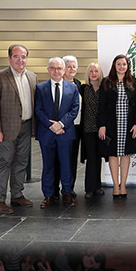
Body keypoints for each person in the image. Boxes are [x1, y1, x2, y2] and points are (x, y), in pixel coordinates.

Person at [0, 44, 37, 215]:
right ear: (9, 58)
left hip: (26, 126)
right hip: (6, 129)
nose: (20, 60)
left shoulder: (32, 77)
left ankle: (17, 194)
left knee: (21, 162)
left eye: (23, 57)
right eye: (16, 56)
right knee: (3, 163)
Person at [35, 57, 80, 208]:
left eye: (59, 68)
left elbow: (74, 109)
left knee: (66, 164)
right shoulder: (41, 88)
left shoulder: (72, 88)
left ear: (64, 70)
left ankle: (67, 193)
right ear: (48, 70)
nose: (56, 71)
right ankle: (48, 195)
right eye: (53, 68)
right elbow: (38, 110)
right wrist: (51, 125)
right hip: (46, 133)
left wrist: (61, 124)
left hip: (65, 132)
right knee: (48, 165)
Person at [97, 55, 136, 198]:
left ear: (128, 66)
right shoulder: (106, 82)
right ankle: (116, 186)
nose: (122, 67)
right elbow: (101, 106)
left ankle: (123, 185)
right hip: (111, 124)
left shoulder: (134, 82)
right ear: (114, 66)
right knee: (113, 154)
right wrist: (102, 125)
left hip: (128, 124)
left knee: (126, 154)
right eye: (119, 64)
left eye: (124, 64)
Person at [80, 62, 105, 199]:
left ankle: (98, 186)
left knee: (98, 158)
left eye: (96, 71)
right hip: (88, 129)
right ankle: (89, 188)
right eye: (91, 71)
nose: (94, 74)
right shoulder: (83, 89)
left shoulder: (104, 88)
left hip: (101, 129)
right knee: (91, 158)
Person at [63, 56, 83, 196]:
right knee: (60, 159)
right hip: (62, 127)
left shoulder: (78, 84)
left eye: (74, 66)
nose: (71, 69)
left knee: (72, 160)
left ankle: (69, 188)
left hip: (77, 128)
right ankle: (55, 190)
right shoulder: (57, 84)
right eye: (68, 66)